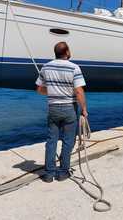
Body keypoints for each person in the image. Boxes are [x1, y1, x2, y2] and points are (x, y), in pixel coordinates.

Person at [36, 42, 88, 183]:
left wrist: (52, 91)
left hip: (53, 109)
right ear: (67, 52)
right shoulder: (74, 68)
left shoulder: (46, 67)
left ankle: (48, 174)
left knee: (51, 140)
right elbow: (78, 91)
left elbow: (39, 90)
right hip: (69, 108)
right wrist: (84, 109)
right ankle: (63, 172)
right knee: (68, 141)